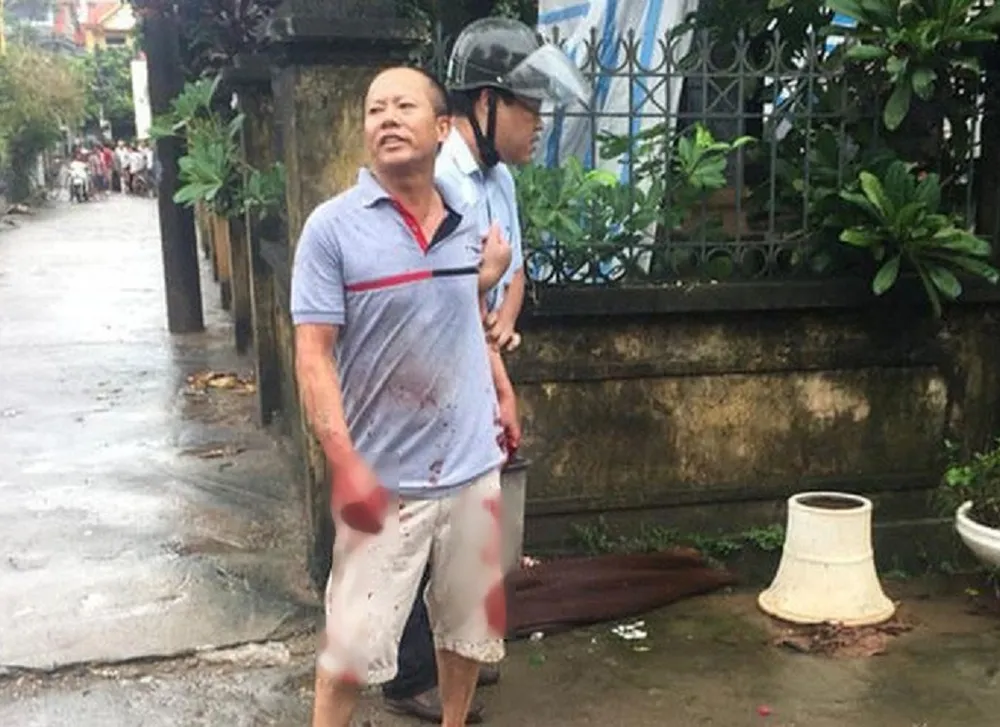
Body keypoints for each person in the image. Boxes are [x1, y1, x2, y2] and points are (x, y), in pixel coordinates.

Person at [290, 65, 522, 727]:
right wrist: (344, 462)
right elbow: (313, 356)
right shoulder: (332, 230)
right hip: (384, 479)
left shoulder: (467, 220)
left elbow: (461, 312)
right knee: (350, 651)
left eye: (403, 107)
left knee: (466, 631)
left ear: (442, 127)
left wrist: (502, 389)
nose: (387, 119)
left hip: (472, 466)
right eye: (375, 110)